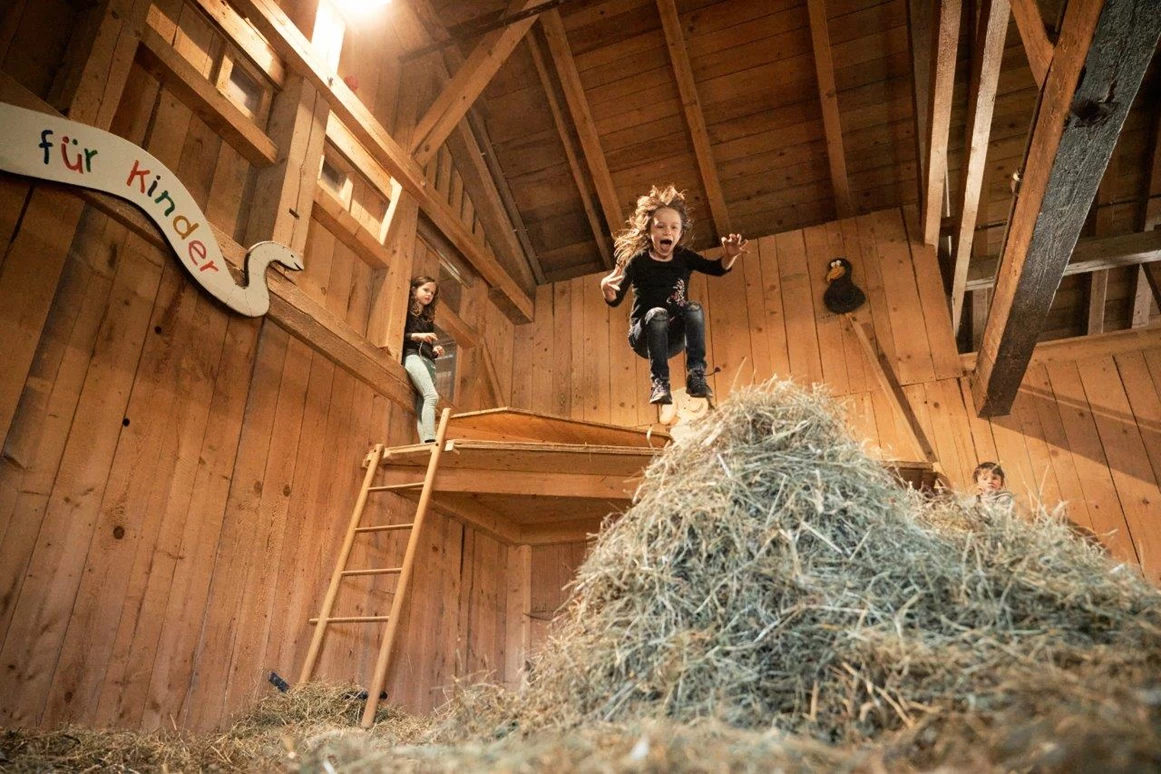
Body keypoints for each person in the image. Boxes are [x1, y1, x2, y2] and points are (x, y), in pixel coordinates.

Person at [599, 185, 748, 405]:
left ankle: (696, 376)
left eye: (674, 228)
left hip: (674, 337)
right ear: (650, 231)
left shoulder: (683, 257)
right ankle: (660, 383)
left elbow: (716, 269)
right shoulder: (639, 261)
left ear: (679, 234)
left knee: (694, 308)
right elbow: (616, 300)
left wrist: (730, 256)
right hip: (643, 337)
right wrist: (606, 289)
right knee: (657, 313)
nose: (667, 232)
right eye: (660, 227)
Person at [402, 275, 446, 443]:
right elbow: (401, 335)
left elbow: (427, 345)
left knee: (424, 401)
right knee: (432, 396)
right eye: (425, 290)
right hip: (412, 356)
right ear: (414, 290)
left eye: (432, 293)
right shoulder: (406, 312)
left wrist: (435, 350)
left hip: (429, 361)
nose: (429, 295)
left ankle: (425, 441)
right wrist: (417, 336)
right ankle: (430, 440)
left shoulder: (428, 319)